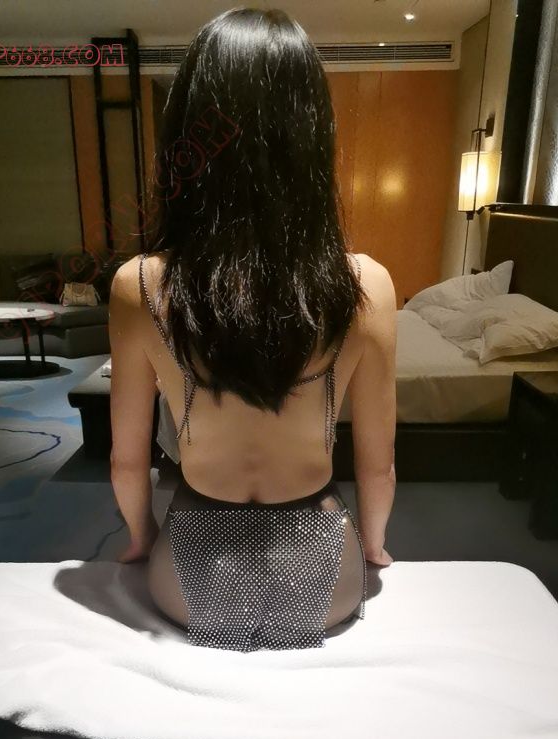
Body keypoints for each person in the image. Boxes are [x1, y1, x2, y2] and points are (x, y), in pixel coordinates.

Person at [109, 7, 396, 651]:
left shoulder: (140, 284)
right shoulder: (367, 284)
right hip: (324, 574)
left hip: (190, 577)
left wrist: (141, 541)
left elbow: (127, 462)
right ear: (311, 134)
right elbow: (378, 470)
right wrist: (374, 546)